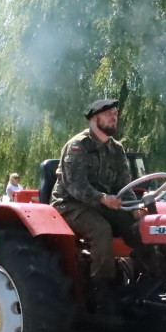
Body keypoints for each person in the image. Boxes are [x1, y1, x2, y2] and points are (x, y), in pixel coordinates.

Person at [51, 98, 146, 312]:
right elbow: (75, 186)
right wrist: (103, 198)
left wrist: (134, 208)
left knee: (140, 227)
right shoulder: (77, 146)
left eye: (116, 113)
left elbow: (125, 185)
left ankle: (148, 280)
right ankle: (102, 293)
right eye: (109, 113)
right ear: (95, 118)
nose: (114, 117)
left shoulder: (117, 149)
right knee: (101, 230)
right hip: (69, 204)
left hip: (103, 204)